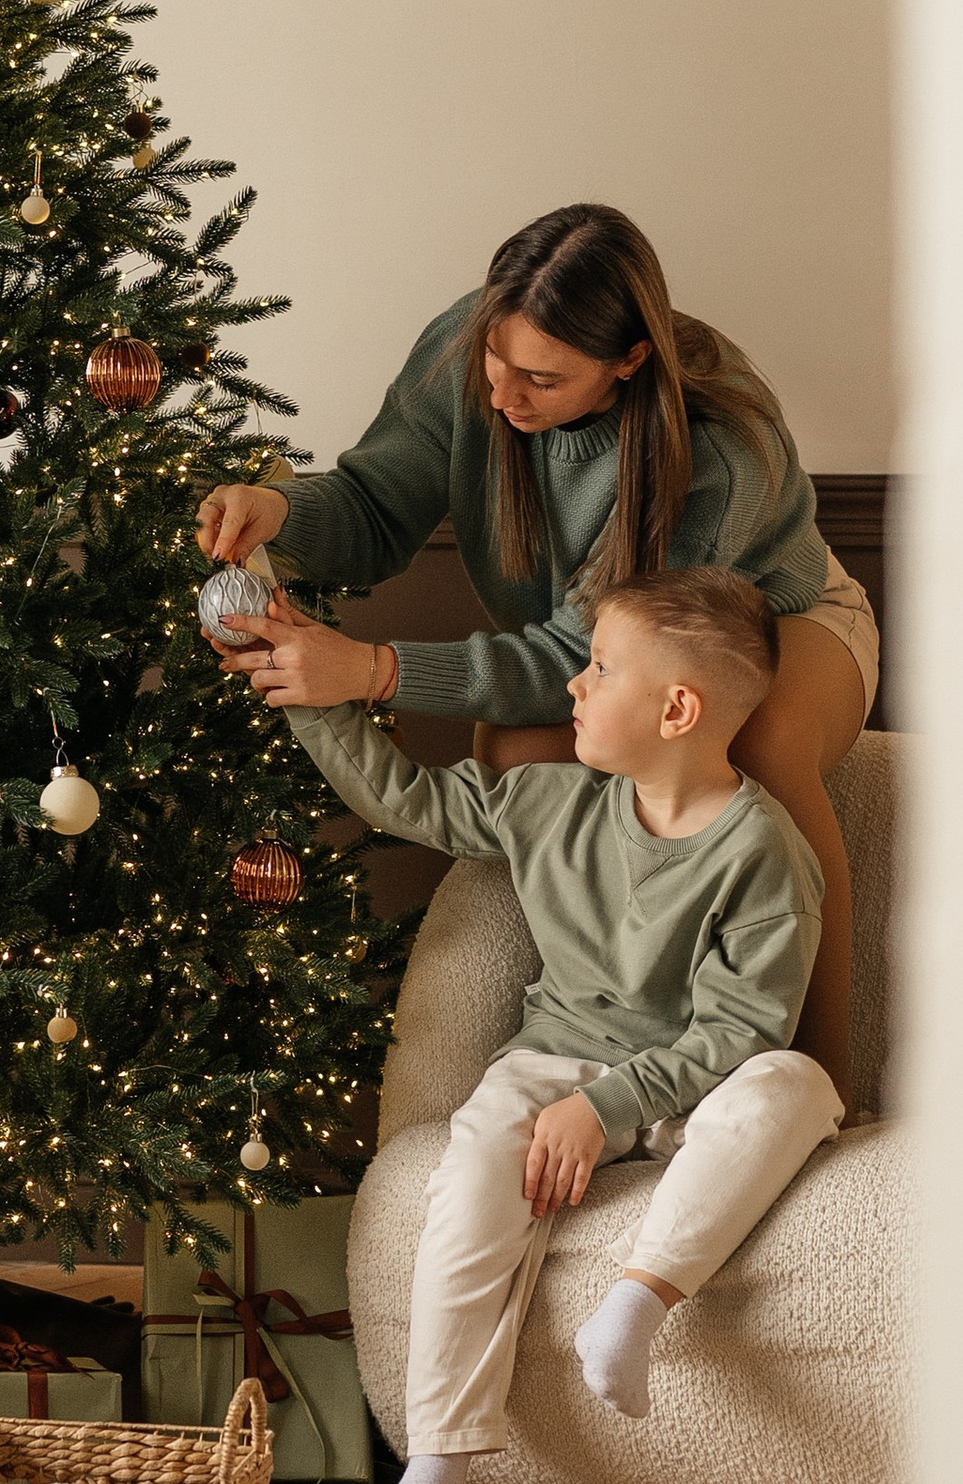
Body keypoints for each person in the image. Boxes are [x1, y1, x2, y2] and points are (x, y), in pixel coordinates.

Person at [196, 201, 876, 1078]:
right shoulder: (473, 351)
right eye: (497, 360)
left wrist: (371, 669)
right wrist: (280, 509)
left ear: (630, 361)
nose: (502, 395)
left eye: (543, 381)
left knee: (770, 743)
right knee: (517, 748)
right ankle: (603, 1035)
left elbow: (571, 655)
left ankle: (821, 1083)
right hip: (596, 643)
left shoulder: (718, 449)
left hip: (784, 619)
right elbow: (373, 506)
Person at [246, 568, 834, 1484]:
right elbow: (403, 799)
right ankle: (440, 1457)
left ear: (675, 707)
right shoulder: (550, 802)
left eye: (597, 668)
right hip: (553, 1062)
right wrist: (315, 697)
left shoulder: (764, 853)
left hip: (689, 1084)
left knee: (794, 1086)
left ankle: (636, 1304)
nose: (571, 684)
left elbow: (742, 1028)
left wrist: (608, 1109)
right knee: (475, 1162)